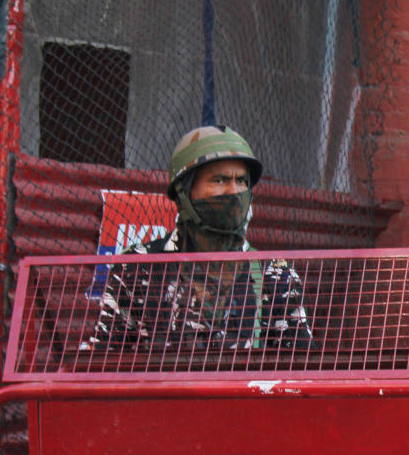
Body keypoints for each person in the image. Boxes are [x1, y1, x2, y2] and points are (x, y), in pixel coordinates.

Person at [79, 125, 311, 358]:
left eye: (241, 181)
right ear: (184, 193)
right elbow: (104, 358)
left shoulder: (274, 272)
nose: (234, 192)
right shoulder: (138, 266)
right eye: (219, 181)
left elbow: (299, 369)